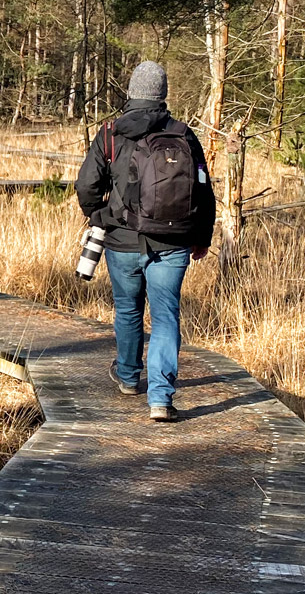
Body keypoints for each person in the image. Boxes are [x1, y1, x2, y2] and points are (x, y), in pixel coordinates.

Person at [74, 61, 215, 421]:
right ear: (162, 93)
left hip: (121, 240)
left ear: (131, 92)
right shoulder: (184, 134)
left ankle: (127, 377)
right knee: (166, 316)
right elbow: (204, 189)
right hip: (174, 242)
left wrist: (97, 217)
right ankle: (161, 399)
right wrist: (202, 237)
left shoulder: (111, 133)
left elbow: (87, 185)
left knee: (128, 309)